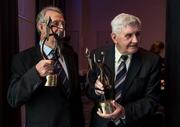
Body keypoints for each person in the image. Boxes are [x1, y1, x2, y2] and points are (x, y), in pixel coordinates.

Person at [7, 6, 84, 127]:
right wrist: (35, 73)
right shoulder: (23, 59)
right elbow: (13, 98)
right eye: (55, 24)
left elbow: (76, 98)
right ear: (41, 27)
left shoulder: (71, 55)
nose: (61, 28)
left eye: (63, 24)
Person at [86, 13, 161, 127]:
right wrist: (96, 90)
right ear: (114, 37)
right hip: (101, 123)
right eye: (129, 35)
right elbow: (88, 90)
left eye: (138, 34)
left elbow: (152, 100)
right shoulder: (97, 55)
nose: (135, 40)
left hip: (134, 122)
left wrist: (124, 112)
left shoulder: (151, 61)